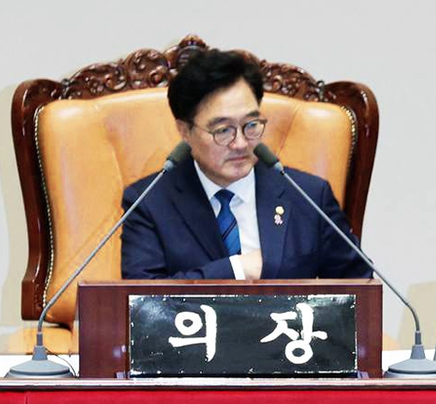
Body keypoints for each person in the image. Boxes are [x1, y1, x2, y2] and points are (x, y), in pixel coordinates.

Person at [120, 48, 372, 281]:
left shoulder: (308, 197)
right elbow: (140, 301)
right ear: (185, 131)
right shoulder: (148, 204)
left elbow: (359, 288)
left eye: (251, 125)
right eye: (223, 130)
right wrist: (236, 269)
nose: (240, 143)